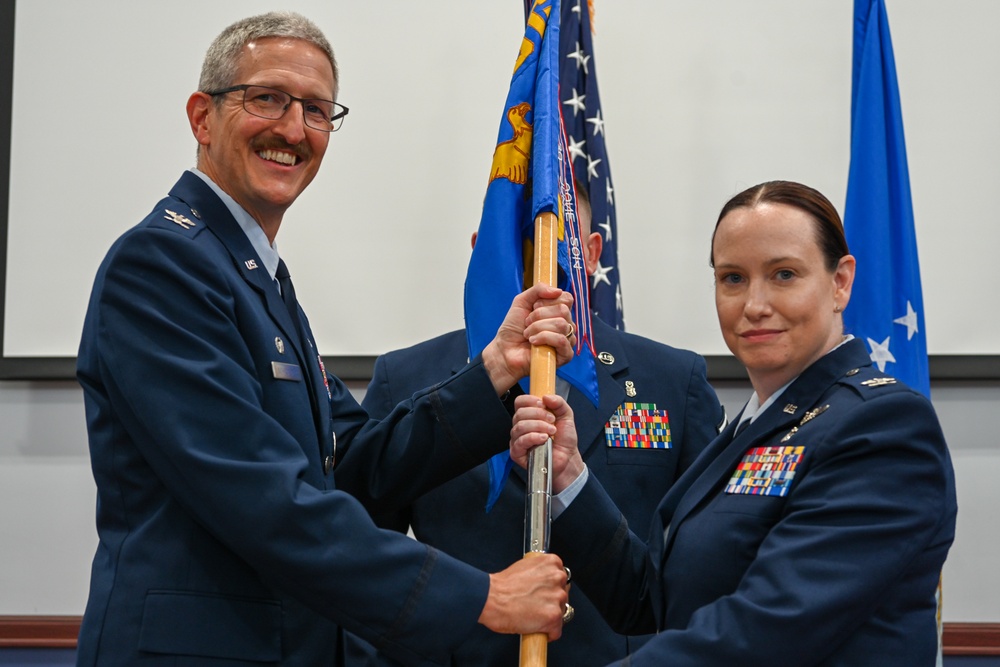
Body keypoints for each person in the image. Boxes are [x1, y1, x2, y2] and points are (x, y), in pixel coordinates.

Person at [75, 12, 576, 666]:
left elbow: (356, 463)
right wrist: (477, 595)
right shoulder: (162, 266)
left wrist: (492, 372)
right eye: (267, 99)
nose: (292, 129)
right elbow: (265, 500)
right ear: (202, 117)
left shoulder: (253, 275)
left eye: (316, 110)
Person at [511, 180, 957, 666]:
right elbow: (651, 599)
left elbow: (771, 628)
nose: (754, 305)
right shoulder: (753, 424)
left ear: (840, 282)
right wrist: (570, 475)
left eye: (784, 274)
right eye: (733, 278)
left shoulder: (883, 426)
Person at [349, 184, 725, 666]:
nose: (540, 265)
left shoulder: (674, 381)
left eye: (557, 242)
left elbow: (698, 573)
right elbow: (358, 561)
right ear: (480, 253)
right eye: (518, 244)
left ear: (591, 254)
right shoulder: (407, 379)